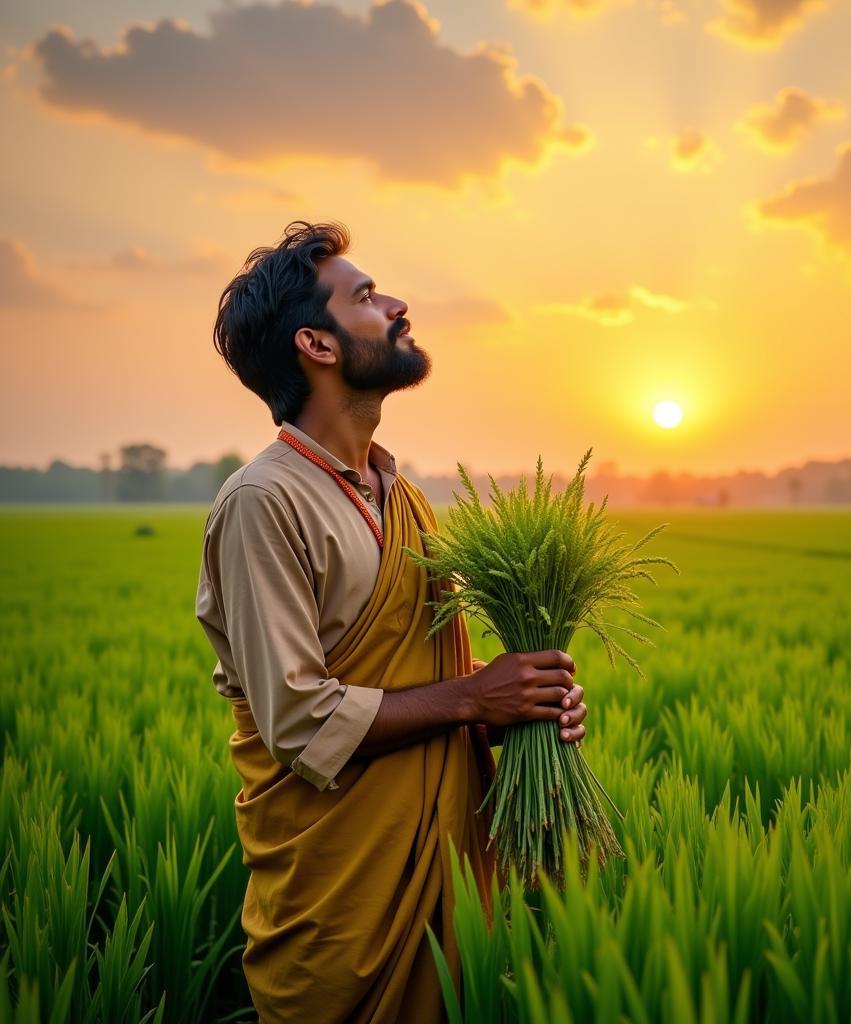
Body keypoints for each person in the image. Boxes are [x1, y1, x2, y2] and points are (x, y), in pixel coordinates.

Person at [194, 220, 587, 1024]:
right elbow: (300, 722)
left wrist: (525, 710)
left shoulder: (402, 500)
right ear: (319, 345)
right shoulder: (263, 504)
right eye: (368, 297)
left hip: (451, 893)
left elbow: (440, 695)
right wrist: (478, 699)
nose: (399, 306)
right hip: (337, 915)